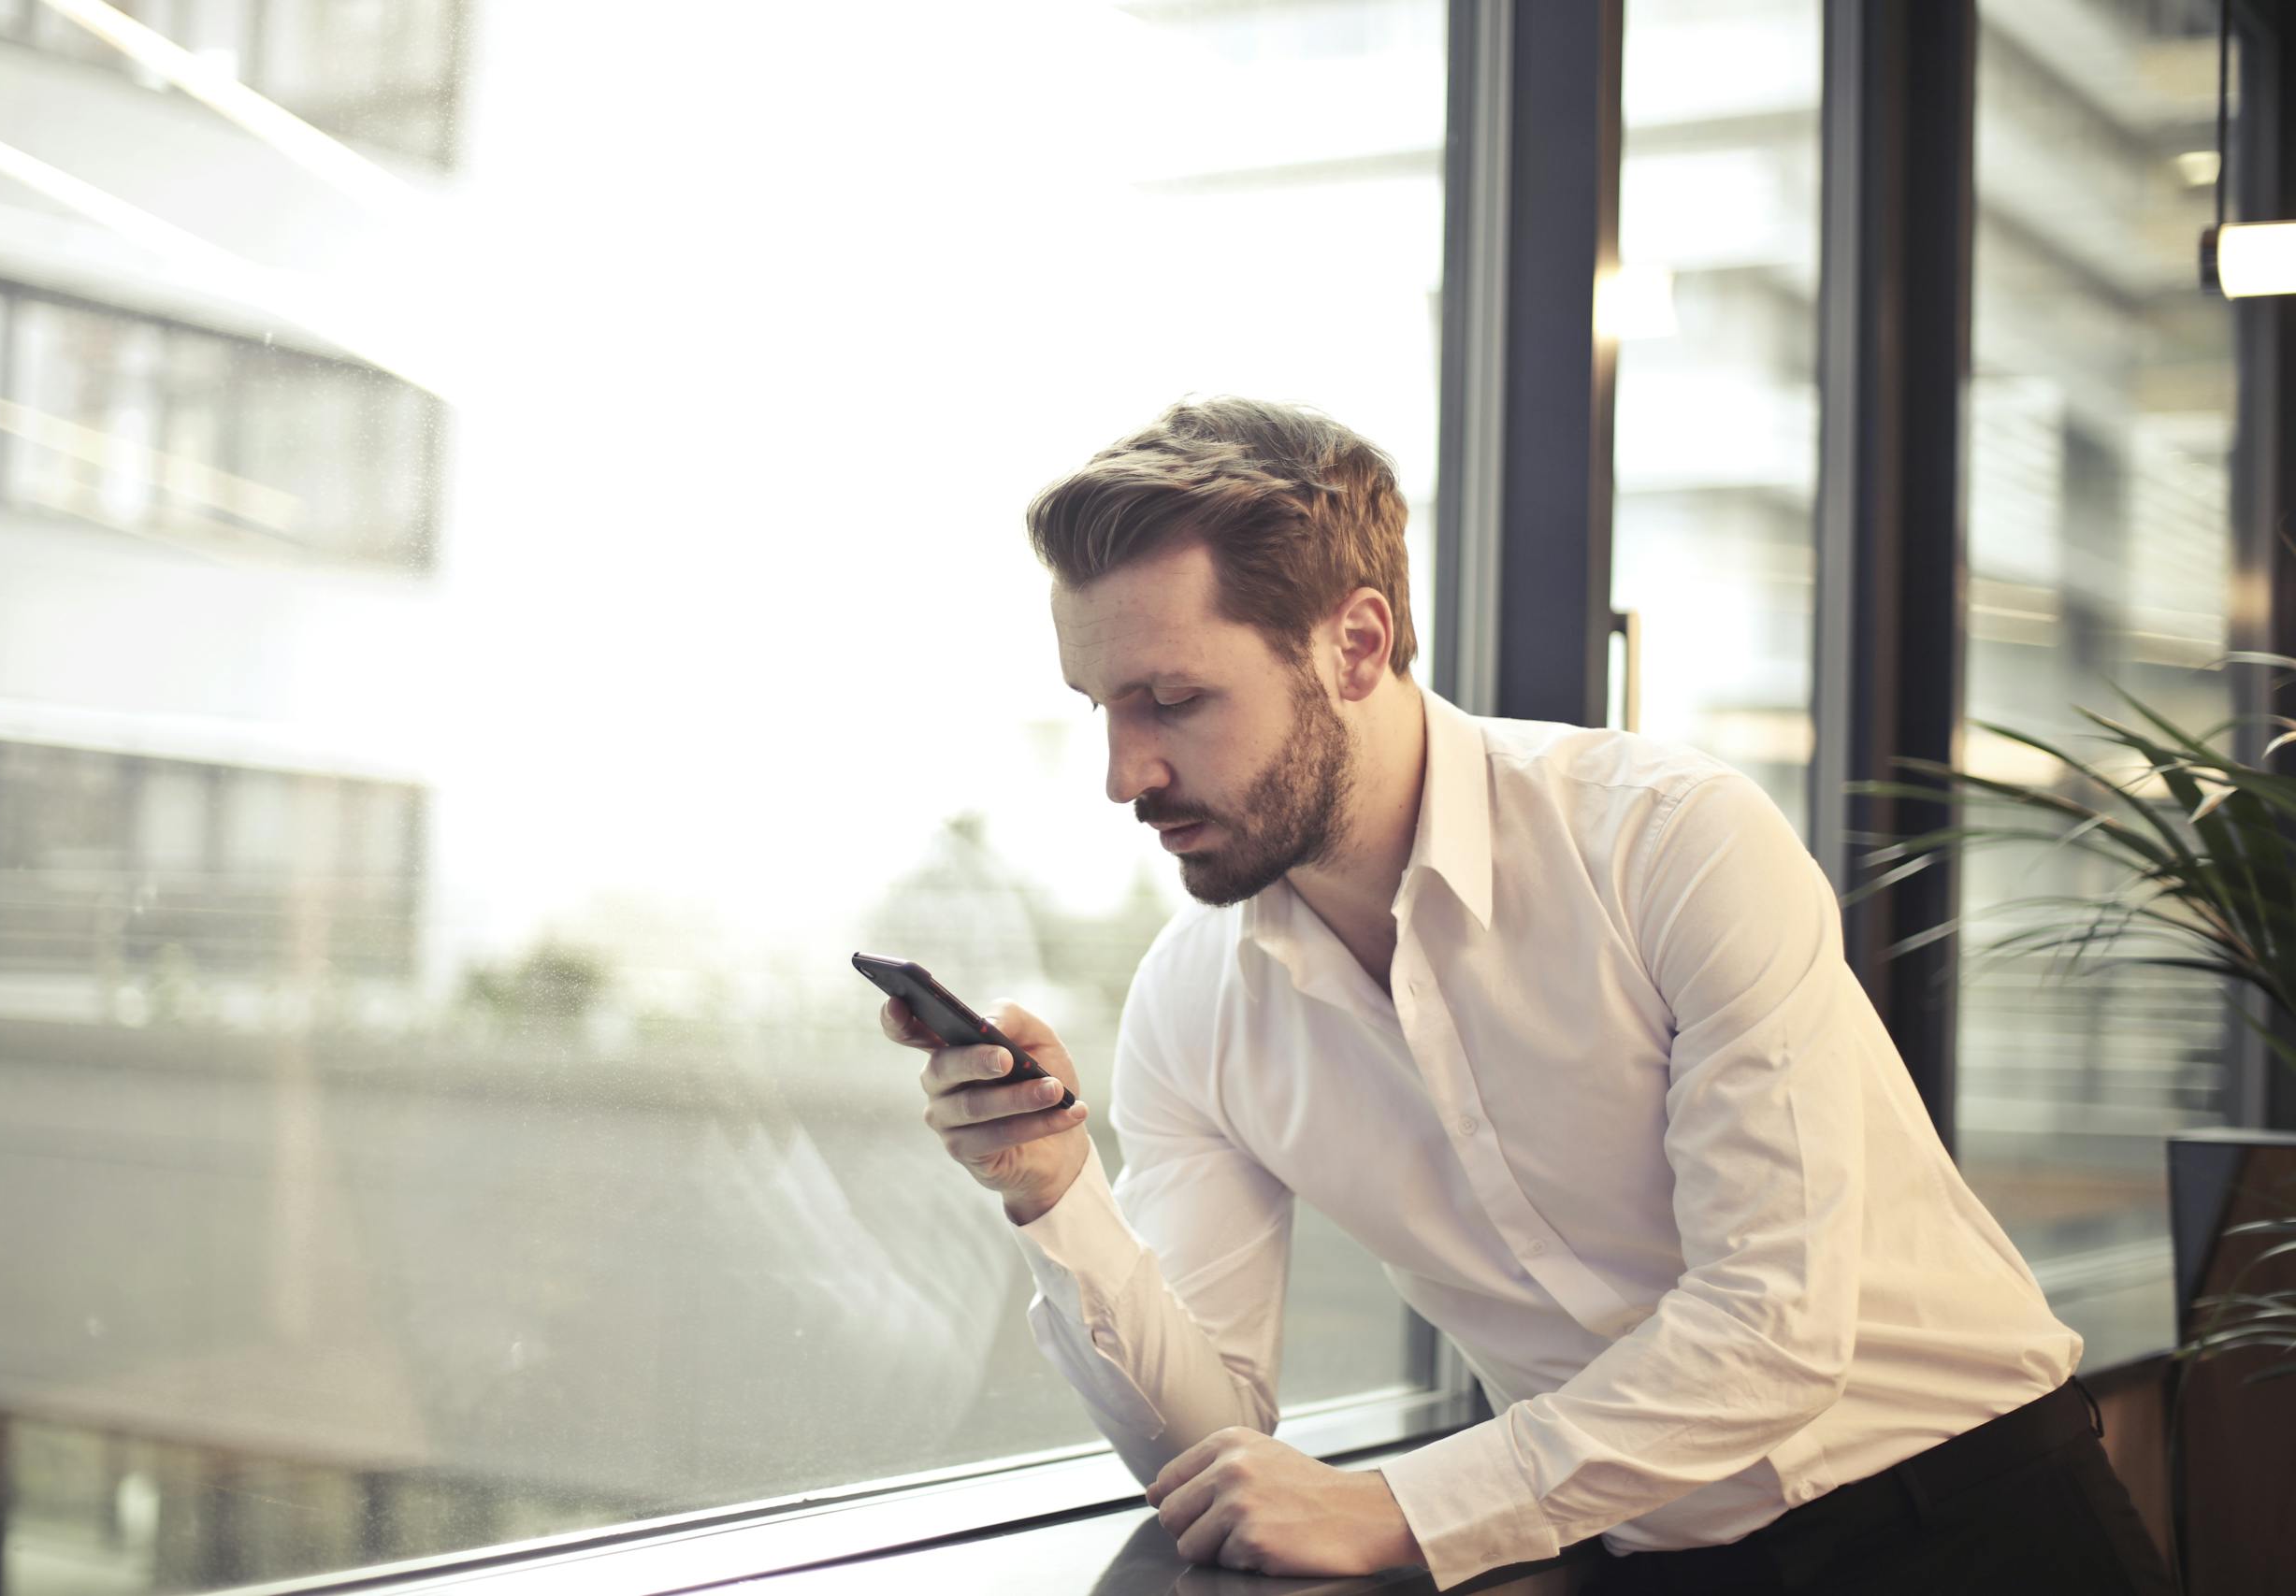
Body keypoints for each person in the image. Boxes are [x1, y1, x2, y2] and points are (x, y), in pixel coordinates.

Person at [876, 397, 2177, 1594]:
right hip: (1638, 1560)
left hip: (1975, 1519)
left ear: (1356, 643)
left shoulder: (1671, 841)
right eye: (1102, 706)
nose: (1123, 773)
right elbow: (1213, 1454)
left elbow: (1774, 1330)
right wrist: (1056, 1198)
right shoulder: (1192, 1008)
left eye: (1173, 700)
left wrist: (1407, 1506)